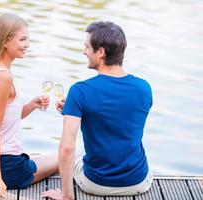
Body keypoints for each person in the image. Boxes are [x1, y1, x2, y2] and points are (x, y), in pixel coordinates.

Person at [42, 21, 153, 200]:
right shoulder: (144, 88)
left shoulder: (80, 91)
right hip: (139, 183)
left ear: (100, 52)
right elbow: (119, 120)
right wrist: (74, 109)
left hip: (97, 183)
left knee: (75, 157)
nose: (83, 51)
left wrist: (66, 195)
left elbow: (67, 148)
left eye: (87, 47)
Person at [0, 13, 58, 200]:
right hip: (7, 169)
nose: (27, 44)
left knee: (48, 157)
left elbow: (4, 116)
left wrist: (32, 105)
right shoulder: (4, 77)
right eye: (22, 39)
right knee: (65, 157)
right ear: (5, 41)